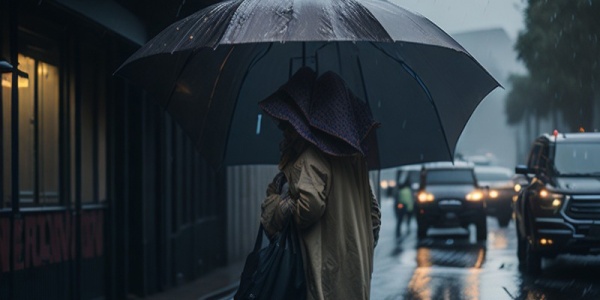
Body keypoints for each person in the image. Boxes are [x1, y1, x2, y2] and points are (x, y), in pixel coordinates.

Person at [259, 67, 381, 300]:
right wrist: (353, 251)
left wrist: (275, 203)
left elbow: (307, 209)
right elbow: (373, 217)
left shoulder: (309, 159)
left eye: (287, 124)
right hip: (354, 281)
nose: (283, 130)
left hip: (320, 282)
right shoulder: (354, 158)